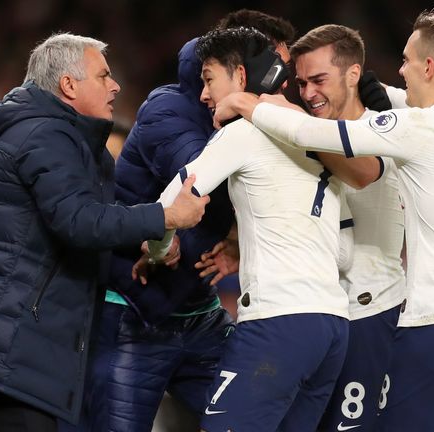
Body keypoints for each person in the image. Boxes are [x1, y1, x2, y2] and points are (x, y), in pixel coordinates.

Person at [215, 10, 434, 431]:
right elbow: (396, 100)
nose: (401, 70)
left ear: (429, 67)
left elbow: (313, 136)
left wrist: (248, 103)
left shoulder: (418, 127)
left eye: (407, 60)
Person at [0, 32, 209, 432]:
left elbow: (76, 217)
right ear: (69, 85)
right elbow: (77, 221)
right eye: (104, 76)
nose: (115, 85)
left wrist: (140, 238)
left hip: (19, 346)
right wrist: (164, 216)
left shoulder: (60, 137)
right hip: (15, 348)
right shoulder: (46, 134)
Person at [70, 11, 297, 432]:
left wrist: (238, 239)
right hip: (133, 310)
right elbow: (200, 185)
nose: (282, 84)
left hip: (199, 312)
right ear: (241, 65)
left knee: (263, 419)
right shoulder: (168, 107)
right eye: (274, 67)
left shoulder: (256, 118)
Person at [148, 27, 349, 432]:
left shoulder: (244, 132)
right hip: (332, 323)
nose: (204, 94)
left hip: (279, 322)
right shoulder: (316, 133)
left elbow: (169, 205)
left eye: (208, 79)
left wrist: (158, 248)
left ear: (240, 77)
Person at [284, 24, 408, 431]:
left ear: (353, 74)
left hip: (370, 312)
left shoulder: (391, 127)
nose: (307, 93)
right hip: (312, 314)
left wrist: (291, 126)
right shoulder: (297, 129)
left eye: (319, 80)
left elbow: (361, 172)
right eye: (301, 83)